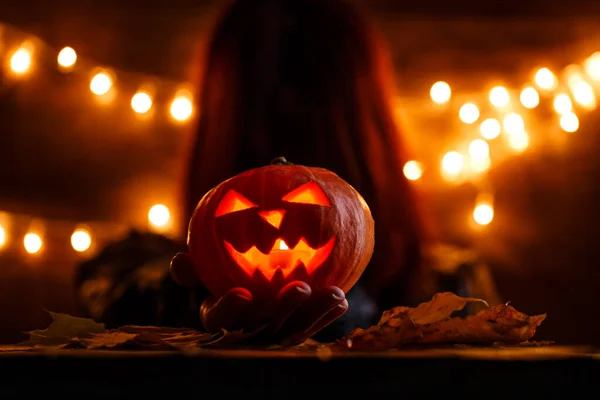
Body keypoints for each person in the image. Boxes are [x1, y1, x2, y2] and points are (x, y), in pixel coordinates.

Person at [74, 0, 500, 344]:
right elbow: (118, 290)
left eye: (304, 202)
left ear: (217, 123)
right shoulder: (128, 274)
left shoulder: (451, 295)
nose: (275, 216)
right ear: (370, 124)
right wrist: (192, 303)